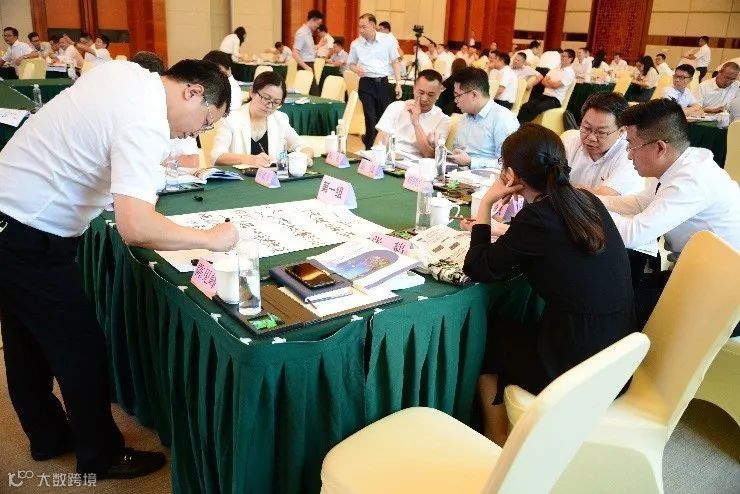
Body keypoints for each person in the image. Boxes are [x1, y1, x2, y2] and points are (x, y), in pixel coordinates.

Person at [0, 59, 237, 479]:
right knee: (81, 349)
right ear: (193, 92)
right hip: (29, 233)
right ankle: (100, 456)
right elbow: (136, 227)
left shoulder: (125, 74)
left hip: (10, 214)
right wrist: (210, 239)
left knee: (25, 343)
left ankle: (47, 436)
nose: (195, 134)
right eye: (205, 122)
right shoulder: (146, 120)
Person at [461, 123, 635, 444]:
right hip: (615, 357)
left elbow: (478, 266)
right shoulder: (586, 201)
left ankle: (495, 437)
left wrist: (485, 204)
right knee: (511, 327)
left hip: (576, 369)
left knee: (487, 335)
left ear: (511, 175)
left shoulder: (537, 218)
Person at [598, 99, 740, 325]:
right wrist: (590, 201)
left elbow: (632, 235)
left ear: (660, 148)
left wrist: (580, 208)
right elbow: (640, 203)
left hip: (723, 294)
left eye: (631, 146)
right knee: (619, 294)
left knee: (611, 312)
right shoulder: (682, 163)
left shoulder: (691, 179)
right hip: (694, 275)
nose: (629, 155)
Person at [211, 71, 314, 167]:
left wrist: (303, 157)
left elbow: (304, 147)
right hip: (239, 179)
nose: (269, 106)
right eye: (266, 98)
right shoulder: (231, 118)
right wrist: (250, 159)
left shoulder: (280, 119)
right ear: (252, 92)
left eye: (276, 102)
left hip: (271, 179)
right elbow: (216, 156)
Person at [562, 92, 642, 196]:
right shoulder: (569, 141)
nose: (591, 137)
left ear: (621, 131)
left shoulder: (630, 157)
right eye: (586, 128)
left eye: (601, 132)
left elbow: (601, 199)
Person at [347, 13, 402, 149]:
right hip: (366, 83)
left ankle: (381, 148)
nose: (360, 30)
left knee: (383, 118)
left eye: (364, 27)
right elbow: (351, 63)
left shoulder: (387, 40)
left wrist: (398, 84)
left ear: (373, 25)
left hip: (383, 83)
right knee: (370, 118)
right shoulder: (356, 44)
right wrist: (356, 69)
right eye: (359, 27)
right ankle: (369, 150)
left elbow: (395, 61)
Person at [447, 67, 519, 169]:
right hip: (458, 173)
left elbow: (508, 163)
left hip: (486, 176)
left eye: (458, 95)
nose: (455, 100)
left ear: (474, 95)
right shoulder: (465, 117)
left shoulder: (503, 118)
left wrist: (471, 162)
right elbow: (458, 151)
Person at [374, 69, 450, 159]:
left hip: (416, 163)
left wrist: (416, 122)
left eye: (430, 95)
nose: (424, 98)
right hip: (389, 158)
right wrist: (374, 158)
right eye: (421, 93)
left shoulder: (443, 119)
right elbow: (380, 138)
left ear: (438, 94)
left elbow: (429, 154)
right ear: (414, 89)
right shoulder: (396, 107)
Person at [517, 49, 576, 123]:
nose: (561, 58)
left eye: (564, 56)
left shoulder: (570, 73)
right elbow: (543, 81)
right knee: (526, 105)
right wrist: (551, 83)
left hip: (555, 100)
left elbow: (555, 86)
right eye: (561, 56)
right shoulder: (555, 68)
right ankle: (516, 124)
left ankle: (522, 126)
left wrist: (549, 82)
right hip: (544, 96)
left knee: (536, 108)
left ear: (570, 59)